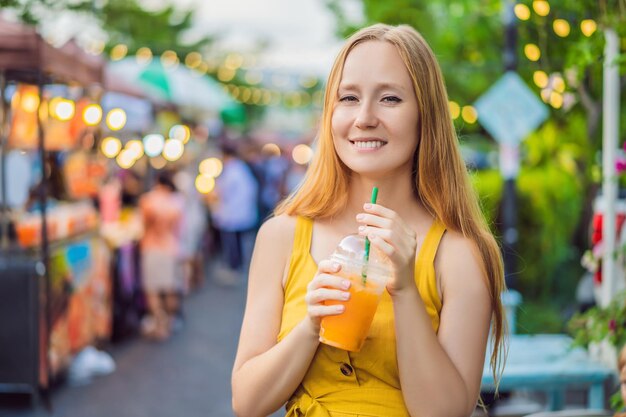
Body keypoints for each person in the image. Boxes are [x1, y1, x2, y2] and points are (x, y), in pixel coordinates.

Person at [231, 23, 506, 417]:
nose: (364, 118)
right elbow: (247, 402)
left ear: (425, 114)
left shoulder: (459, 254)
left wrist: (407, 290)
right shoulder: (281, 236)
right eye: (348, 98)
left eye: (390, 98)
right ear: (330, 114)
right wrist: (310, 326)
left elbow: (446, 412)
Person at [138, 171, 184, 340]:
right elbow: (179, 229)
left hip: (152, 248)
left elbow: (144, 225)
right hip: (172, 247)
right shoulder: (176, 202)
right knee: (170, 288)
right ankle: (170, 321)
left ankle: (160, 325)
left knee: (153, 290)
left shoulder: (148, 201)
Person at [208, 143, 259, 283]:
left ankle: (234, 269)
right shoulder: (240, 168)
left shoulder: (232, 171)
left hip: (233, 215)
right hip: (238, 213)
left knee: (233, 244)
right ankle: (237, 267)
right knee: (237, 242)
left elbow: (222, 192)